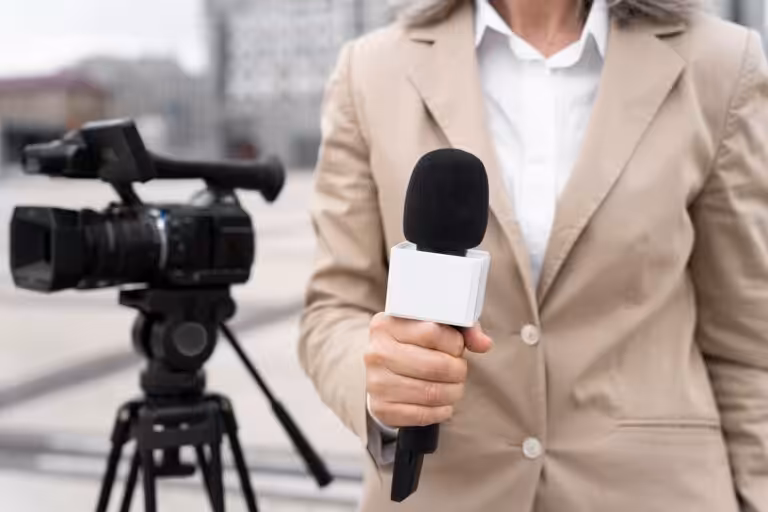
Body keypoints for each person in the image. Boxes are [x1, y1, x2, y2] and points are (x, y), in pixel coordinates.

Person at [299, 0, 768, 510]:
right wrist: (380, 382)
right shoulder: (370, 71)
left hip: (658, 491)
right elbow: (333, 307)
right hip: (444, 491)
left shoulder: (721, 62)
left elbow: (748, 342)